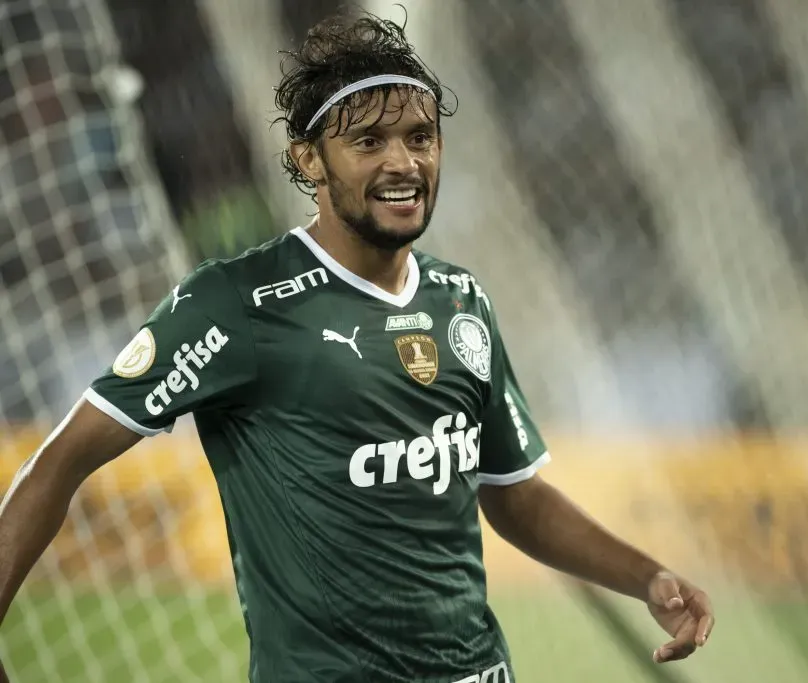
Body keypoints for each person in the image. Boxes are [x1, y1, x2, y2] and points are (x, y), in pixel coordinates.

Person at [0, 10, 713, 683]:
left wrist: (646, 576)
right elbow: (62, 460)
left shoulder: (461, 301)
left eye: (420, 136)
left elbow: (515, 495)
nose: (403, 161)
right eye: (368, 141)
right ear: (309, 159)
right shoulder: (237, 302)